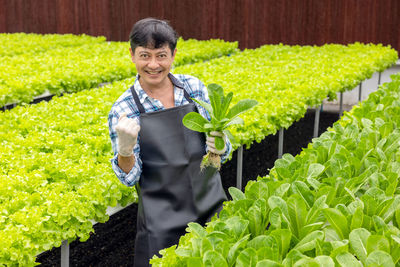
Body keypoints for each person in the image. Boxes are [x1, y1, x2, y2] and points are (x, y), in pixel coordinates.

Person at [107, 18, 232, 266]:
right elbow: (130, 178)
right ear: (132, 55)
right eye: (145, 55)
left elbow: (219, 154)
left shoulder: (193, 88)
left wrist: (221, 146)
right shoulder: (124, 109)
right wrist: (125, 150)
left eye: (161, 55)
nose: (153, 65)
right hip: (161, 225)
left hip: (212, 209)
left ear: (173, 55)